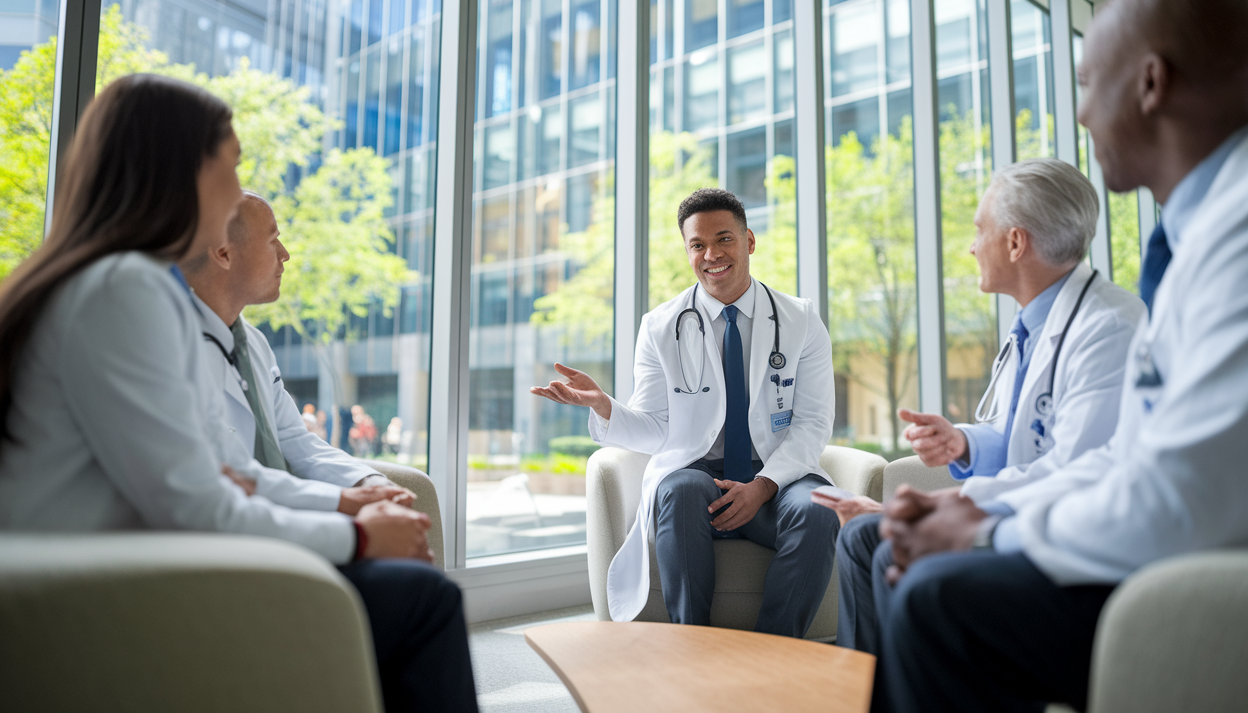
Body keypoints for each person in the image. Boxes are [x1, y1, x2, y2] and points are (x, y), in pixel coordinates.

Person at [870, 0, 1248, 713]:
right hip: (1185, 535)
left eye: (1091, 81)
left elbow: (1184, 494)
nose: (1085, 114)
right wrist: (979, 505)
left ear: (1151, 82)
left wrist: (991, 529)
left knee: (937, 600)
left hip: (1222, 575)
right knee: (911, 569)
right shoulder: (1209, 232)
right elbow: (1134, 456)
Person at [0, 74, 478, 713]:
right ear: (182, 173)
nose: (234, 188)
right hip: (103, 589)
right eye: (231, 164)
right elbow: (198, 503)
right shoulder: (126, 291)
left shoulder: (117, 284)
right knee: (425, 602)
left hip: (115, 563)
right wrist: (361, 534)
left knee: (405, 589)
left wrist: (324, 500)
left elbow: (224, 473)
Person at [815, 158, 1145, 654]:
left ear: (1015, 243)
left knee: (880, 543)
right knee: (863, 535)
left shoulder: (1109, 326)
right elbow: (1024, 433)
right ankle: (865, 693)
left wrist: (945, 508)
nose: (971, 246)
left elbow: (1072, 468)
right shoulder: (1031, 326)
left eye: (979, 230)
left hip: (1064, 537)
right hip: (1021, 509)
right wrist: (964, 441)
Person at [531, 187, 838, 637]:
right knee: (678, 489)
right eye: (698, 244)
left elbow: (813, 421)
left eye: (724, 239)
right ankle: (691, 647)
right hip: (702, 482)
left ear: (749, 241)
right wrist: (604, 406)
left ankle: (776, 650)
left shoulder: (800, 319)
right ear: (688, 251)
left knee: (818, 509)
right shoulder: (659, 327)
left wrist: (763, 486)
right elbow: (656, 428)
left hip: (777, 479)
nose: (711, 254)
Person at [181, 192, 406, 516]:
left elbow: (294, 440)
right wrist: (345, 505)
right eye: (273, 240)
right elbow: (227, 473)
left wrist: (370, 483)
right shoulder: (176, 348)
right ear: (224, 254)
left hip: (282, 517)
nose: (285, 255)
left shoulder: (253, 344)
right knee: (407, 567)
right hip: (240, 527)